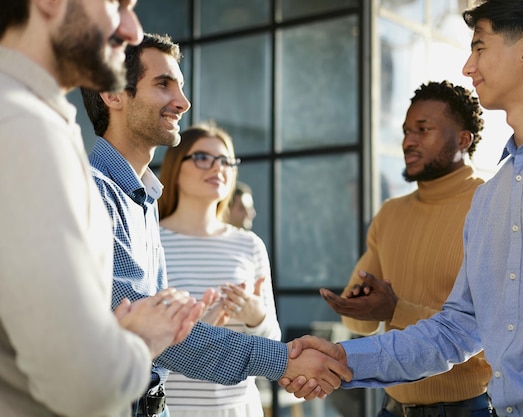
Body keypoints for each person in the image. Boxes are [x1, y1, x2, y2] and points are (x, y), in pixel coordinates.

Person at [284, 1, 523, 416]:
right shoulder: (490, 198)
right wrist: (343, 357)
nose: (468, 66)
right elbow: (457, 329)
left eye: (480, 47)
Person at [80, 32, 351, 417]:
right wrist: (285, 361)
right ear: (113, 94)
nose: (183, 102)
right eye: (163, 84)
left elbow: (157, 342)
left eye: (181, 86)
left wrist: (195, 323)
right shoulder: (94, 193)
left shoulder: (141, 199)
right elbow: (146, 330)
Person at [0, 1, 207, 417]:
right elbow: (86, 383)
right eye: (118, 4)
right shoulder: (26, 130)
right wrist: (142, 339)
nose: (131, 28)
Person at [321, 80, 492, 417]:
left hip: (466, 410)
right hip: (391, 409)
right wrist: (357, 307)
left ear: (463, 139)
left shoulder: (489, 207)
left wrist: (396, 311)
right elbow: (360, 323)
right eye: (406, 131)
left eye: (423, 130)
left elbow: (487, 333)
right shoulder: (391, 214)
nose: (408, 141)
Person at [158, 123, 280, 417]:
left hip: (238, 410)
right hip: (172, 409)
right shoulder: (150, 240)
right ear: (176, 168)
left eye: (225, 160)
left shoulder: (249, 245)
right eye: (203, 157)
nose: (217, 167)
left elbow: (273, 345)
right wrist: (197, 332)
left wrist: (256, 317)